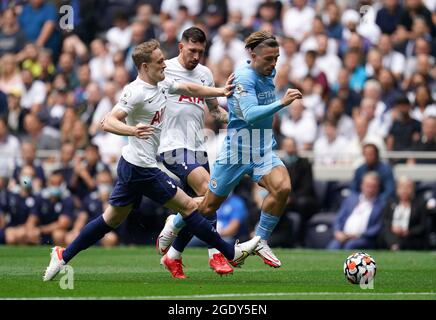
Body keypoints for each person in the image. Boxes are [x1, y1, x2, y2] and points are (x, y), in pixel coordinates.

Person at [43, 39, 260, 282]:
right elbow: (107, 121)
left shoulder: (163, 82)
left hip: (133, 166)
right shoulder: (135, 92)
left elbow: (189, 89)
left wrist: (220, 91)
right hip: (141, 168)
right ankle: (231, 252)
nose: (164, 66)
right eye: (159, 62)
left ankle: (63, 255)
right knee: (189, 207)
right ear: (145, 66)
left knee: (110, 220)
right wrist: (132, 130)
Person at [158, 31, 302, 269]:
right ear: (253, 56)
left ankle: (261, 240)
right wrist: (281, 103)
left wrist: (233, 116)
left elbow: (233, 114)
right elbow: (250, 114)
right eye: (268, 59)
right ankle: (174, 222)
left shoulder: (269, 72)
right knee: (207, 206)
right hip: (236, 152)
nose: (273, 63)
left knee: (283, 188)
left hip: (262, 148)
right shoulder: (243, 78)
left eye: (276, 58)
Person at [157, 27, 232, 277]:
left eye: (200, 52)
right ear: (181, 47)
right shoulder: (164, 69)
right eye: (192, 51)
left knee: (203, 206)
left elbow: (214, 111)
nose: (196, 56)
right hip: (172, 145)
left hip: (198, 147)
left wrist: (234, 119)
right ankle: (216, 253)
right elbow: (189, 91)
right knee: (209, 191)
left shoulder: (205, 74)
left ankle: (174, 253)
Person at [328, 172, 385, 250]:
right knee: (334, 245)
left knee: (350, 245)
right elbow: (339, 218)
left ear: (378, 188)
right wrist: (337, 232)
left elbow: (377, 227)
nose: (370, 189)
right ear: (362, 186)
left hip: (364, 239)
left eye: (373, 187)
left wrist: (358, 235)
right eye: (368, 186)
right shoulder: (350, 199)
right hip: (343, 235)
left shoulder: (381, 205)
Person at [380, 176, 429, 250]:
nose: (404, 190)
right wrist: (392, 227)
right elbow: (385, 220)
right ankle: (394, 246)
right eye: (402, 187)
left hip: (409, 236)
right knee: (385, 232)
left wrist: (409, 231)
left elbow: (423, 225)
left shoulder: (419, 204)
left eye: (408, 187)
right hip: (392, 233)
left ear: (413, 189)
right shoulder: (390, 202)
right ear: (397, 189)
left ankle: (395, 246)